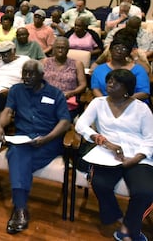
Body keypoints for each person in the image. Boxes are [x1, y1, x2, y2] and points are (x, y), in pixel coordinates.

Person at [0, 59, 71, 234]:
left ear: (42, 76)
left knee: (17, 159)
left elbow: (65, 122)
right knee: (17, 155)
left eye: (31, 74)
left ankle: (19, 208)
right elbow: (7, 111)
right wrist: (0, 126)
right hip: (23, 138)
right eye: (24, 73)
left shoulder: (55, 93)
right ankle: (21, 209)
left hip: (49, 141)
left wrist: (47, 138)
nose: (26, 77)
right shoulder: (16, 90)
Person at [75, 69, 153, 241]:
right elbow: (80, 125)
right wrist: (102, 140)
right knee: (100, 183)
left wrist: (136, 158)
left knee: (145, 191)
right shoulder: (98, 103)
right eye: (109, 80)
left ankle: (128, 228)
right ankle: (117, 218)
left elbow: (150, 139)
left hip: (137, 155)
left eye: (116, 82)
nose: (110, 84)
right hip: (107, 153)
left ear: (127, 88)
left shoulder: (142, 109)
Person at [90, 32, 150, 103]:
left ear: (128, 53)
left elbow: (144, 93)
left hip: (132, 104)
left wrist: (120, 101)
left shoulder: (138, 70)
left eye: (123, 49)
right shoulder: (99, 69)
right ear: (110, 50)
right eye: (116, 48)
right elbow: (96, 90)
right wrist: (108, 104)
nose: (119, 51)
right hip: (105, 104)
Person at [42, 37, 87, 117]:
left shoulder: (77, 64)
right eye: (57, 47)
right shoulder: (44, 62)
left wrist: (71, 93)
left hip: (67, 99)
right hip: (46, 98)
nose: (60, 50)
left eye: (63, 48)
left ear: (68, 49)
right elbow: (38, 81)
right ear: (53, 49)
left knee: (60, 118)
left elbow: (83, 85)